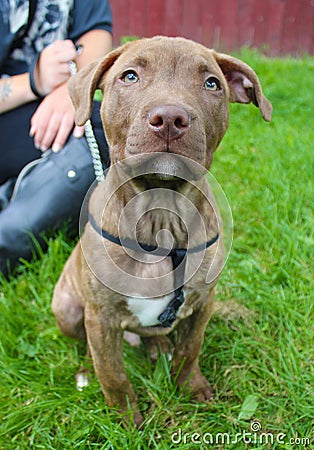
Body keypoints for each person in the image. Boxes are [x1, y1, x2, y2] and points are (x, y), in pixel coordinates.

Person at [0, 0, 113, 276]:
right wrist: (34, 81)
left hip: (42, 122)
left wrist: (72, 89)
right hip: (12, 105)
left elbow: (96, 33)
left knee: (104, 130)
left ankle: (13, 209)